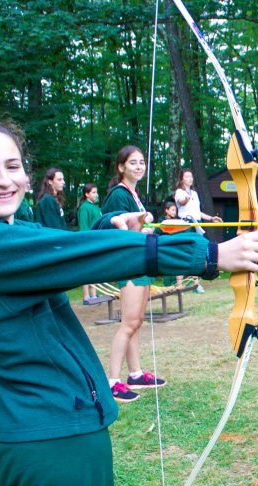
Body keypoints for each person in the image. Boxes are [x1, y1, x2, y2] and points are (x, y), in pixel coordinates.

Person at [0, 120, 258, 486]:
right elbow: (78, 253)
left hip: (12, 440)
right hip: (59, 443)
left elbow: (53, 238)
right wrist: (210, 256)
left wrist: (105, 224)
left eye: (13, 166)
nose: (5, 180)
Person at [100, 145, 161, 402]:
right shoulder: (118, 195)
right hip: (128, 264)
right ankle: (112, 381)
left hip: (140, 262)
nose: (139, 166)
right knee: (128, 323)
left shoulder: (134, 195)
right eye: (133, 162)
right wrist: (142, 232)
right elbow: (115, 231)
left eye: (142, 162)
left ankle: (135, 373)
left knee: (136, 322)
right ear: (121, 167)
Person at [174, 168, 222, 293]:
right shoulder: (179, 192)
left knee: (197, 253)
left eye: (191, 176)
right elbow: (182, 202)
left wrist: (211, 218)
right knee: (182, 252)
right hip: (186, 224)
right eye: (187, 176)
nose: (190, 178)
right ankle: (179, 285)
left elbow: (198, 212)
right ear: (182, 179)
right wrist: (186, 199)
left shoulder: (194, 193)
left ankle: (195, 284)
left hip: (197, 223)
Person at [78, 182, 103, 305]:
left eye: (96, 192)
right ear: (86, 194)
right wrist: (86, 243)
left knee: (95, 268)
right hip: (88, 242)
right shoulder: (84, 207)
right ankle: (86, 295)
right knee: (87, 268)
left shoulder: (97, 207)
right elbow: (84, 226)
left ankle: (94, 294)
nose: (96, 194)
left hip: (98, 241)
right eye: (93, 192)